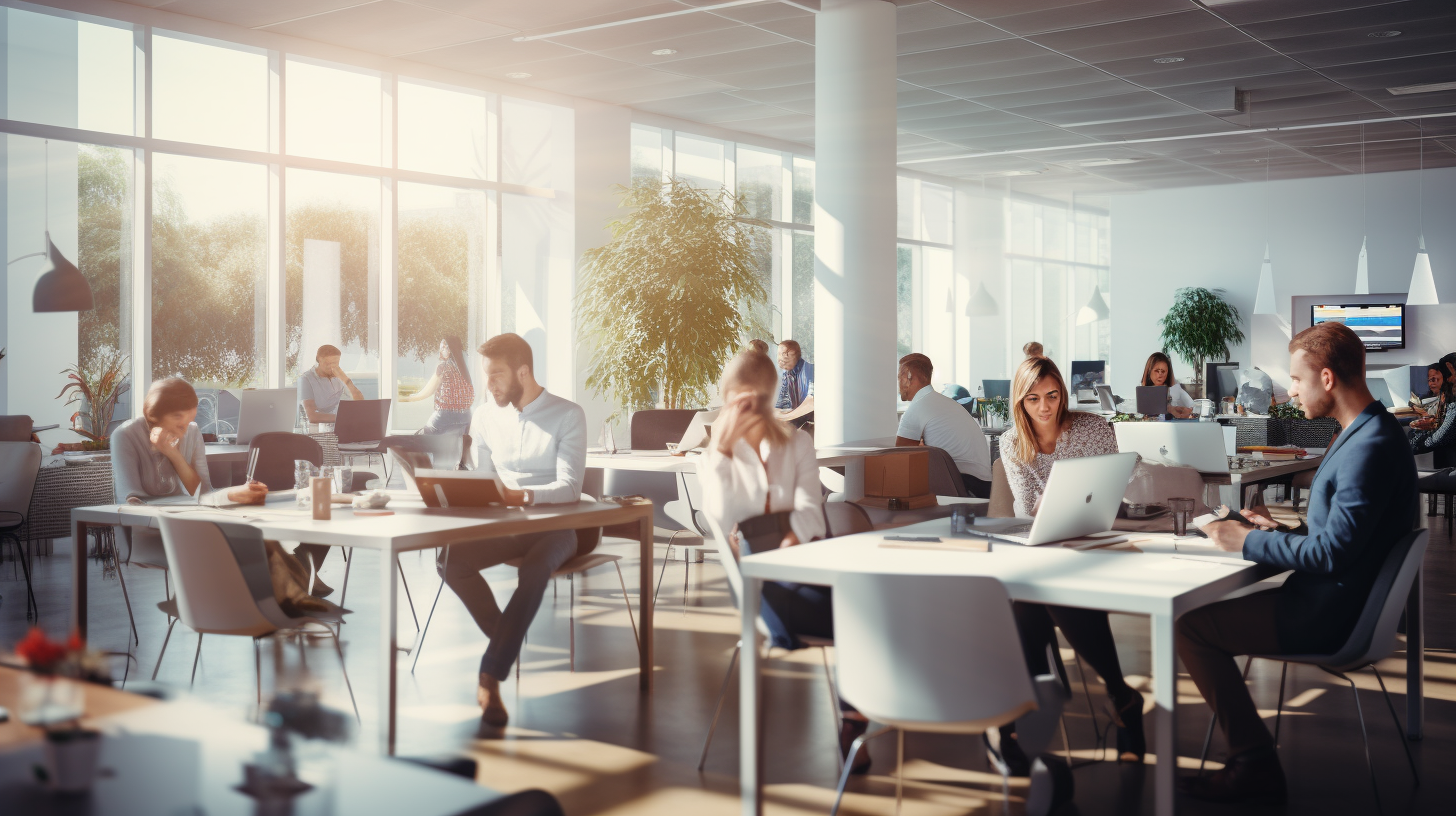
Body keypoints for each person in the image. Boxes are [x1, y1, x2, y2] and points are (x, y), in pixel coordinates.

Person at [1180, 321, 1417, 805]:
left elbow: (1331, 555)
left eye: (1295, 379)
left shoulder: (1367, 447)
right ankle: (1251, 761)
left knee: (1190, 629)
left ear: (1327, 379)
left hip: (1329, 615)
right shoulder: (1371, 431)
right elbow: (1339, 538)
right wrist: (1275, 532)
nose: (1289, 392)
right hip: (1343, 601)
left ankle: (1254, 765)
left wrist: (1242, 540)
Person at [697, 351, 874, 770]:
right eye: (736, 400)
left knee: (863, 605)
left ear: (768, 397)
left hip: (798, 558)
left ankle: (853, 720)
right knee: (853, 620)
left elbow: (812, 511)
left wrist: (788, 537)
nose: (744, 410)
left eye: (753, 400)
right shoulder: (716, 454)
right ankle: (857, 718)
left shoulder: (797, 443)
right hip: (752, 576)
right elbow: (721, 522)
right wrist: (721, 450)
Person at [997, 356, 1145, 767]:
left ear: (1062, 393)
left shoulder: (1093, 428)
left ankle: (1014, 726)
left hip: (1094, 542)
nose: (1044, 407)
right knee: (1036, 596)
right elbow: (1027, 509)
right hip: (1043, 546)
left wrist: (1063, 502)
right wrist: (1051, 503)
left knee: (1039, 596)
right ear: (1020, 403)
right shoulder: (1011, 442)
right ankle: (1120, 697)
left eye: (1052, 395)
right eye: (1033, 399)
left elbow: (1108, 491)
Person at [441, 333, 587, 728]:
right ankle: (506, 638)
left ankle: (490, 673)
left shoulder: (567, 414)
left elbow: (570, 487)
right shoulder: (486, 415)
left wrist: (520, 496)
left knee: (535, 568)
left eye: (497, 375)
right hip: (508, 521)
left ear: (523, 371)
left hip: (560, 525)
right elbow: (485, 479)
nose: (489, 385)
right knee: (450, 559)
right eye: (486, 376)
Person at [112, 378, 337, 614]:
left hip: (194, 522)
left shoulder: (191, 432)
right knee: (249, 542)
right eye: (178, 419)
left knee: (261, 534)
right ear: (155, 413)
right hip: (151, 536)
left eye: (189, 420)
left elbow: (203, 492)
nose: (184, 428)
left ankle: (291, 591)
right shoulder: (125, 436)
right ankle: (298, 584)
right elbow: (130, 504)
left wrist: (175, 455)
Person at [894, 353, 992, 497]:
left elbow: (900, 459)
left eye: (899, 377)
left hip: (961, 485)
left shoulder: (917, 408)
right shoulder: (947, 403)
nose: (898, 383)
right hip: (984, 486)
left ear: (908, 376)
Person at [398, 336, 475, 435]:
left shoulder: (443, 367)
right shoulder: (465, 371)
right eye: (441, 347)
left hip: (443, 418)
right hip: (466, 419)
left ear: (450, 349)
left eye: (444, 347)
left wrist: (406, 398)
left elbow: (426, 392)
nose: (441, 350)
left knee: (418, 438)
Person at [298, 344, 363, 425]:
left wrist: (346, 380)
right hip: (321, 428)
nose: (332, 367)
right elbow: (312, 416)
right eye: (328, 363)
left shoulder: (339, 376)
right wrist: (345, 418)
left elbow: (360, 403)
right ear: (318, 360)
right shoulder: (306, 379)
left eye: (335, 363)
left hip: (343, 424)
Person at [1409, 360, 1456, 454]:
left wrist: (1424, 428)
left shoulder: (1453, 408)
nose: (1449, 379)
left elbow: (1432, 441)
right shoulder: (1445, 402)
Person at [1141, 351, 1194, 418]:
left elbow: (1193, 406)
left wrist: (1187, 412)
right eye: (1157, 371)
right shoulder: (1142, 393)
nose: (1160, 375)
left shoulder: (1175, 390)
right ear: (1149, 371)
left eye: (1163, 371)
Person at [774, 339, 815, 425]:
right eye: (779, 354)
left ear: (796, 354)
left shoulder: (810, 370)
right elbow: (782, 404)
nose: (780, 358)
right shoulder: (787, 374)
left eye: (785, 354)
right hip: (799, 421)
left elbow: (811, 403)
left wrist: (785, 417)